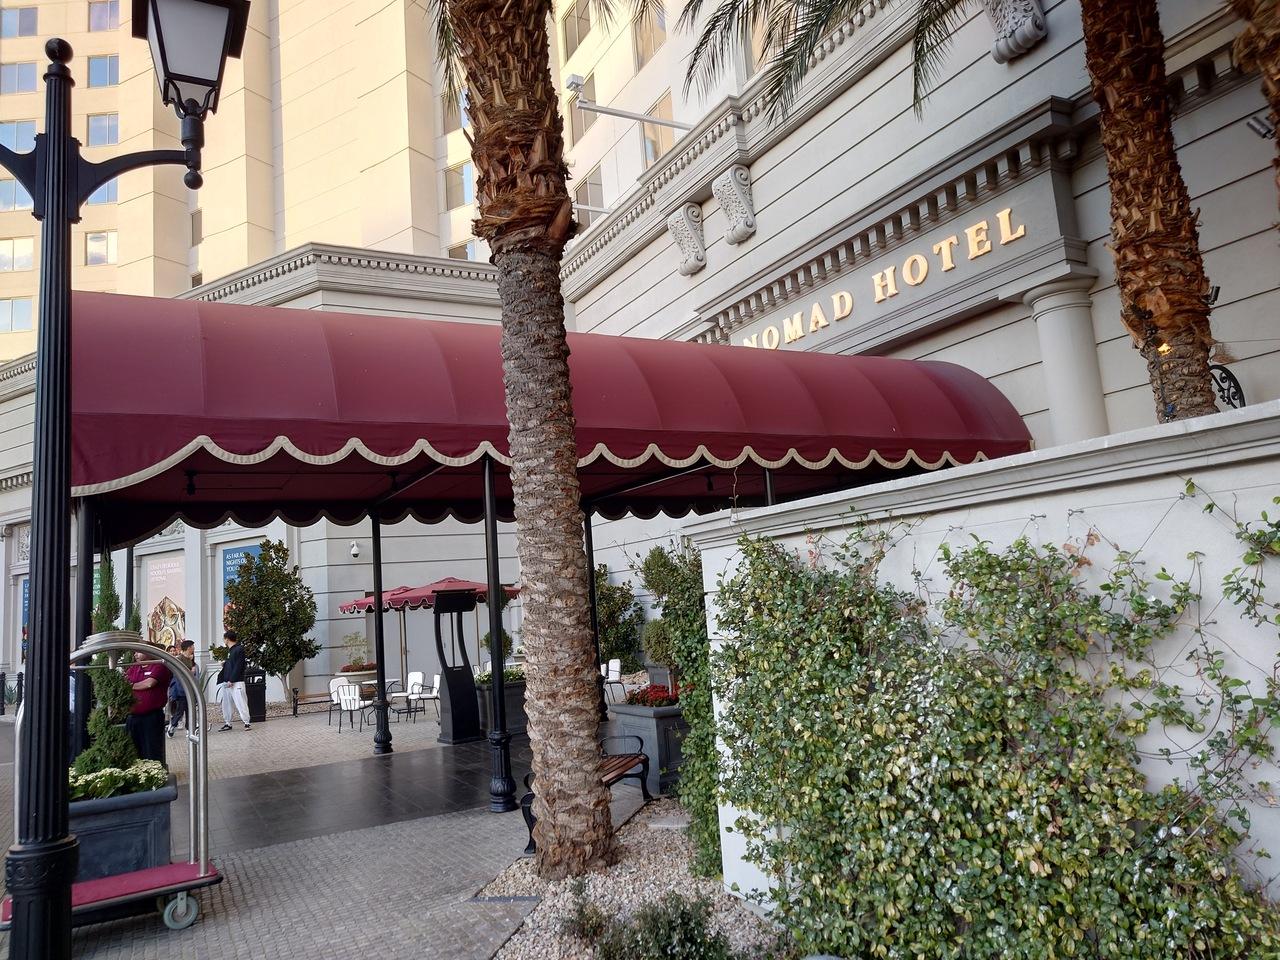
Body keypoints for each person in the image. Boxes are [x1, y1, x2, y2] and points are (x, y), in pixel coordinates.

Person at [125, 646, 171, 763]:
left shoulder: (159, 666)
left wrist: (131, 685)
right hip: (133, 717)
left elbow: (149, 683)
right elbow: (124, 681)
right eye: (134, 652)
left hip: (151, 717)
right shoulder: (134, 668)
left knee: (151, 751)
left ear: (149, 652)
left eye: (138, 651)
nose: (135, 654)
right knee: (134, 751)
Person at [217, 630, 251, 731]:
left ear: (227, 639)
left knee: (241, 702)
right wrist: (225, 664)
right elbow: (233, 664)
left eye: (224, 639)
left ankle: (246, 722)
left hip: (236, 682)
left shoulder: (239, 649)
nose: (224, 640)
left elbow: (239, 666)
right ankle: (228, 723)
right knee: (226, 704)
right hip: (227, 681)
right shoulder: (231, 650)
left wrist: (232, 680)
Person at [167, 640, 200, 738]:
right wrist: (191, 671)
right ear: (188, 648)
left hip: (189, 689)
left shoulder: (190, 659)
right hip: (181, 689)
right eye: (192, 647)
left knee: (190, 710)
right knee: (180, 710)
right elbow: (179, 674)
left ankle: (189, 729)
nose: (194, 648)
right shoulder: (179, 659)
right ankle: (172, 726)